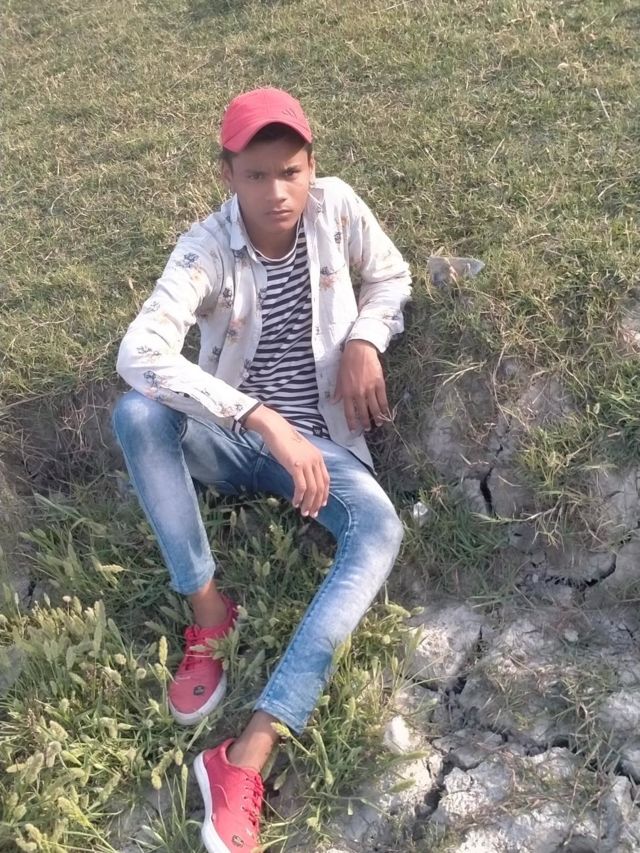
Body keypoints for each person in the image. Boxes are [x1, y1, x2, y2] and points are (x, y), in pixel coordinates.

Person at [112, 87, 412, 853]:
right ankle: (209, 611)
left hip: (324, 448)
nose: (277, 192)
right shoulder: (206, 246)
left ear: (312, 166)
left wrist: (366, 339)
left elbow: (390, 276)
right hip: (232, 435)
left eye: (291, 171)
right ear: (227, 174)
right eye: (255, 175)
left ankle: (246, 752)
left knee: (379, 527)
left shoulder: (337, 208)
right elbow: (139, 352)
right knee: (138, 413)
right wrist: (260, 417)